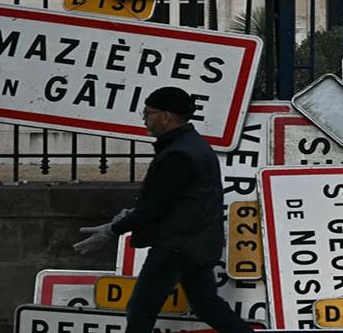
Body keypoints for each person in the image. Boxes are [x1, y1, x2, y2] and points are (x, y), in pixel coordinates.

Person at [71, 87, 253, 333]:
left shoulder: (178, 154)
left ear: (166, 116)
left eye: (148, 112)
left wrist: (112, 230)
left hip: (176, 245)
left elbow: (155, 207)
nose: (144, 118)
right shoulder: (193, 146)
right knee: (206, 305)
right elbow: (175, 199)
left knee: (141, 309)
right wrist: (131, 214)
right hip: (197, 242)